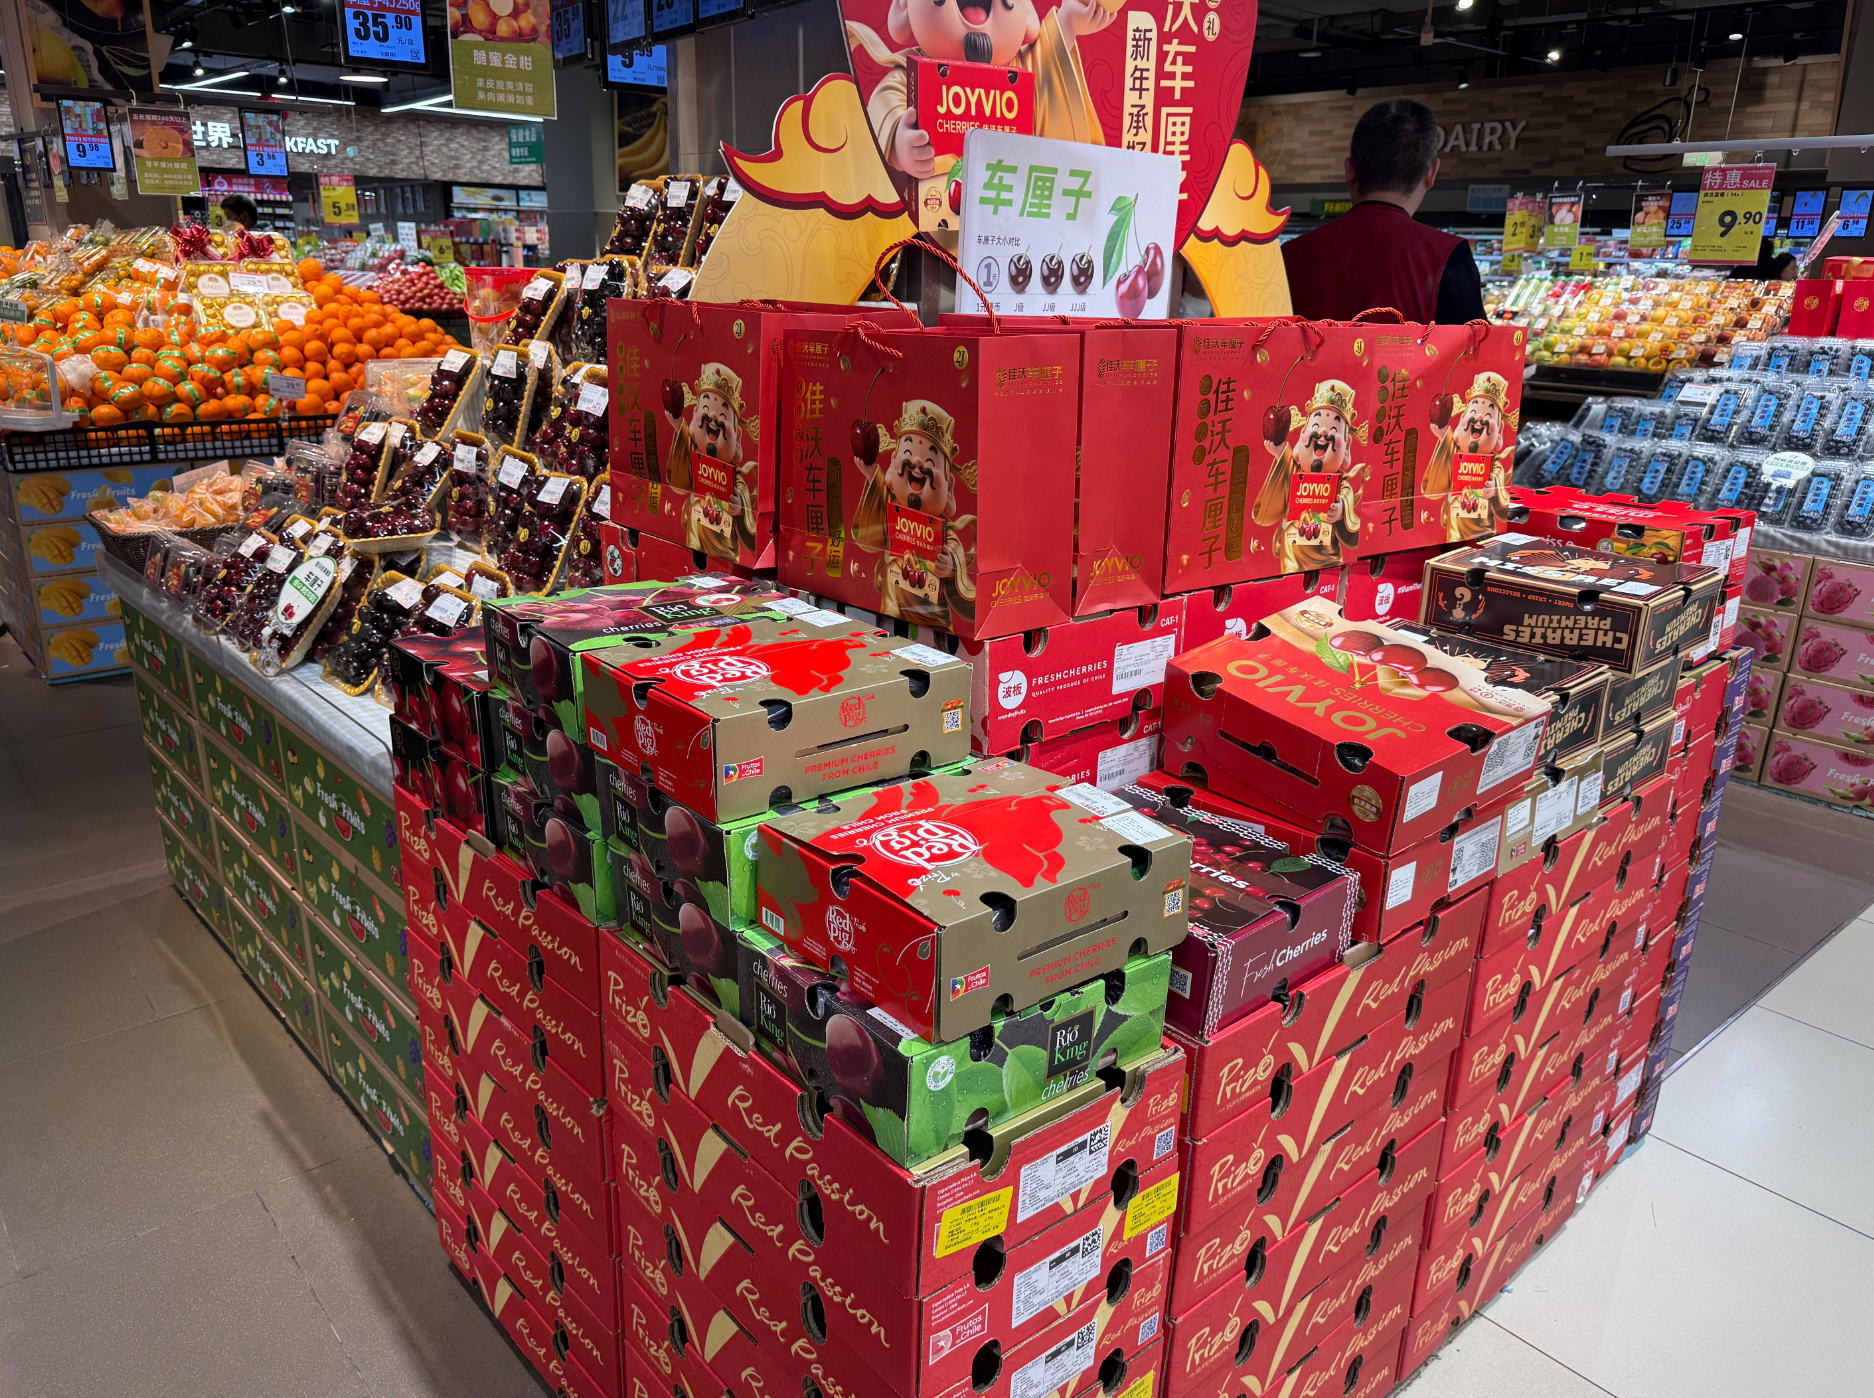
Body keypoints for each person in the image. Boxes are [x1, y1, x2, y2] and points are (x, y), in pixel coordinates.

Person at [1281, 98, 1485, 325]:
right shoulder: (1451, 256)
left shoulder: (1288, 256)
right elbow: (1477, 345)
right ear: (1431, 173)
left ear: (1349, 171)